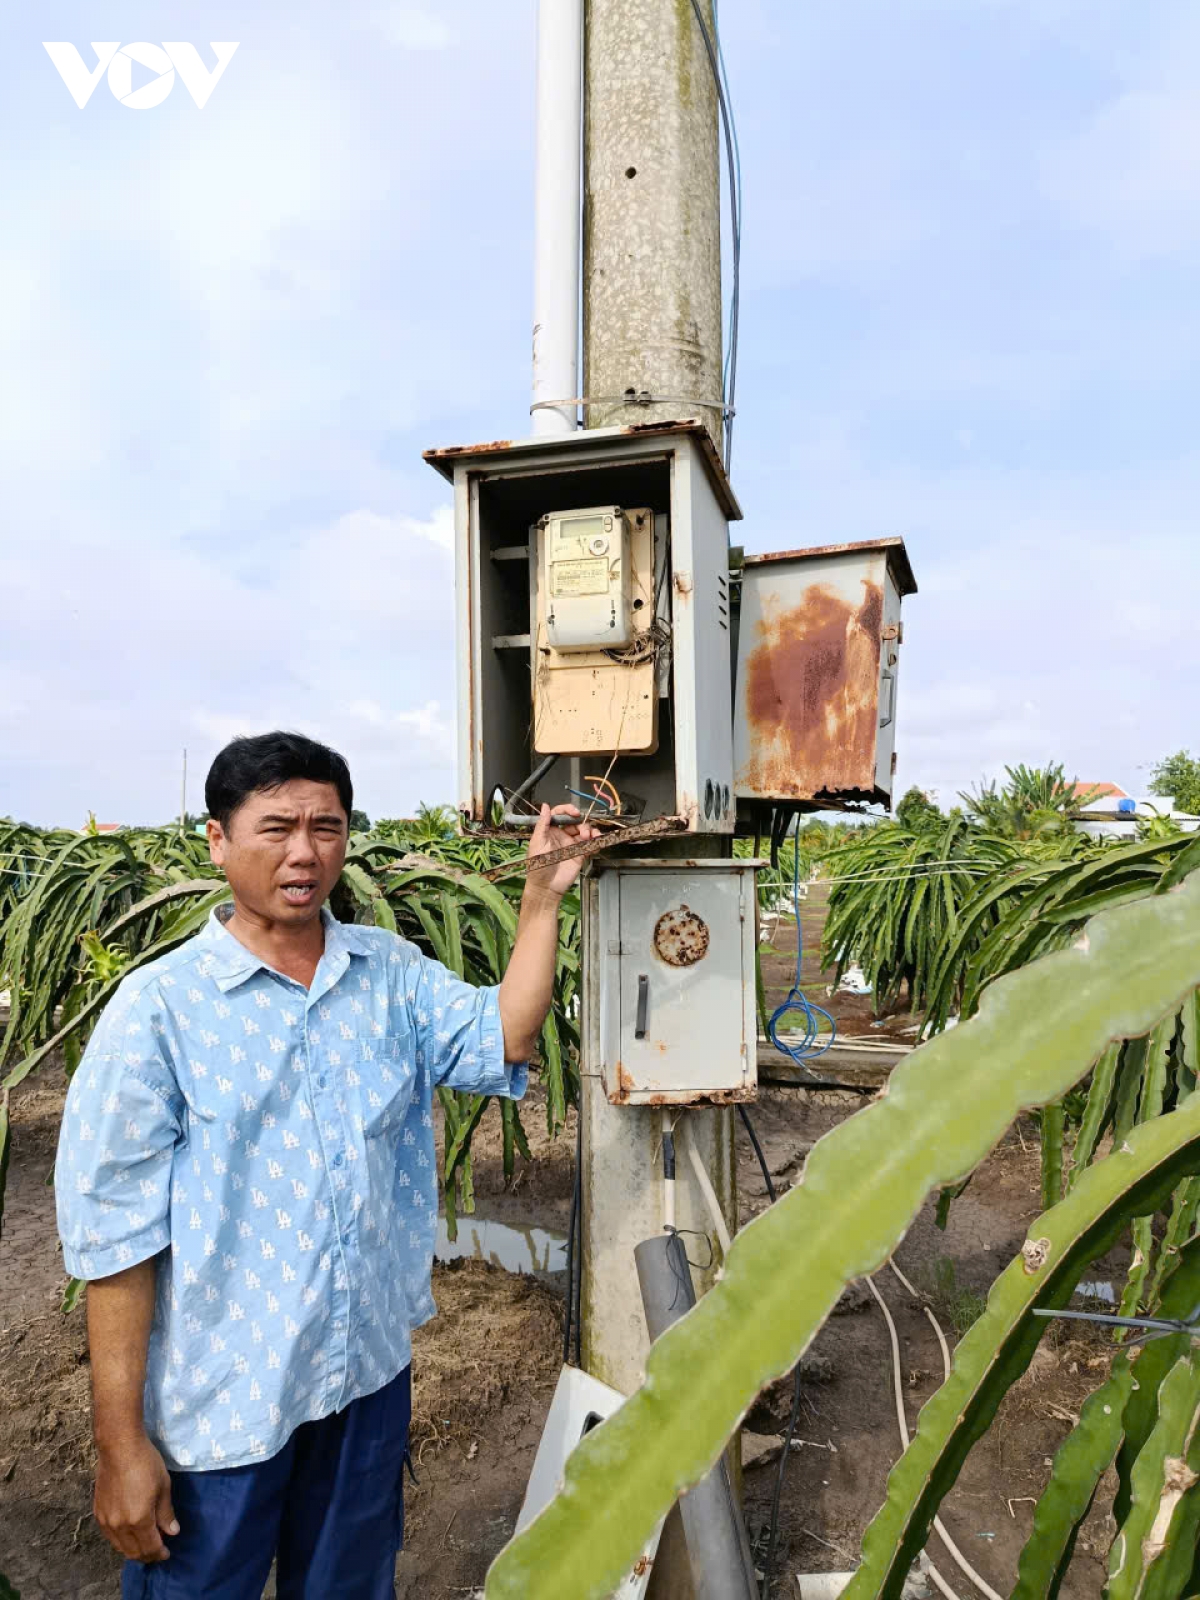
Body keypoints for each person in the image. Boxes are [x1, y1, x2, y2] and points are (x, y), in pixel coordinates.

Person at [55, 731, 596, 1599]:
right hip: (222, 1408)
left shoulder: (388, 973)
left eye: (327, 827)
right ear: (218, 840)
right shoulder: (159, 1013)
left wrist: (542, 896)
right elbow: (114, 1243)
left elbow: (505, 1035)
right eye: (275, 828)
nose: (305, 852)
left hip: (362, 1380)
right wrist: (120, 1445)